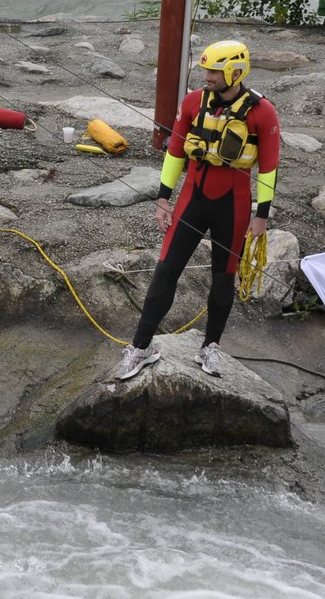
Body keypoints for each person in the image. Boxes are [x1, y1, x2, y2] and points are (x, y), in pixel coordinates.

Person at [113, 40, 281, 380]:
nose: (207, 77)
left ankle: (211, 347)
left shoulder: (262, 112)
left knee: (223, 278)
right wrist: (163, 198)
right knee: (166, 270)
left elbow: (269, 167)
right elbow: (175, 151)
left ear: (235, 72)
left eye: (214, 72)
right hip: (193, 199)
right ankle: (141, 347)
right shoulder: (192, 103)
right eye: (205, 70)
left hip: (232, 205)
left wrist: (261, 215)